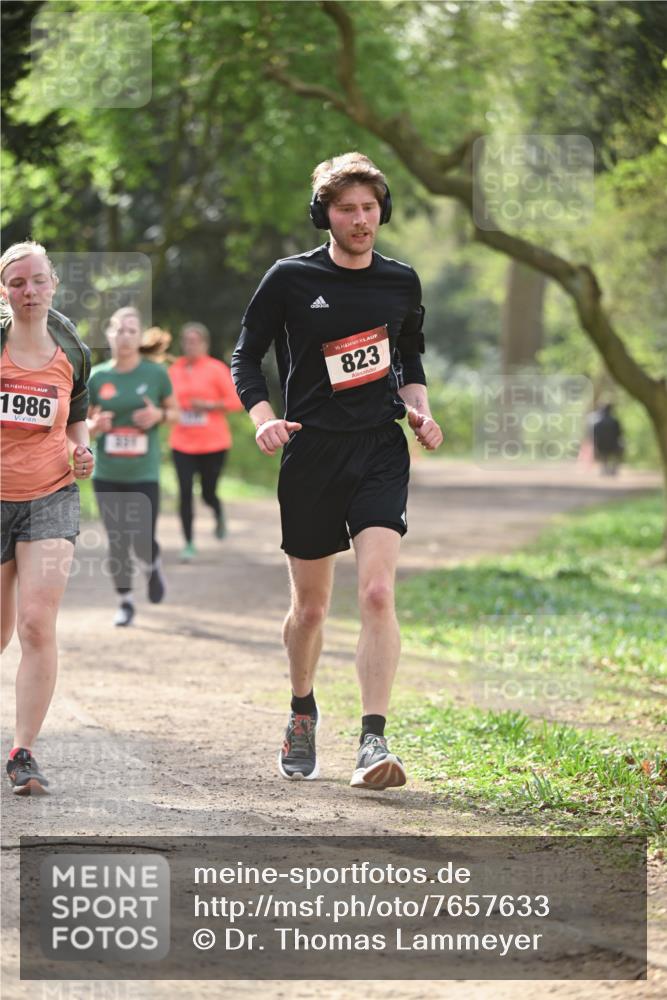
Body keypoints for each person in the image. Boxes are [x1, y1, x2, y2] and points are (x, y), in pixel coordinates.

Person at [232, 152, 443, 790]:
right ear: (324, 213)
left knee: (378, 592)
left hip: (380, 447)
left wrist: (419, 412)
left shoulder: (401, 282)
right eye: (347, 208)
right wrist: (264, 418)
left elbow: (408, 359)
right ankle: (302, 711)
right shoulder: (290, 278)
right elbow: (246, 356)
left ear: (382, 212)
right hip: (312, 450)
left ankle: (372, 740)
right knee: (312, 610)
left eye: (369, 208)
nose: (360, 219)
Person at [1, 240, 93, 795]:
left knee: (37, 623)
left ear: (53, 283)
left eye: (37, 281)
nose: (29, 292)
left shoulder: (71, 348)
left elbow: (77, 415)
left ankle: (23, 752)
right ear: (4, 291)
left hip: (51, 497)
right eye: (17, 283)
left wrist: (83, 451)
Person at [87, 308, 178, 627]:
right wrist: (93, 425)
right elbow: (82, 422)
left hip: (144, 472)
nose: (124, 336)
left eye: (131, 330)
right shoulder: (97, 376)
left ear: (139, 337)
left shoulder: (155, 374)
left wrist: (158, 417)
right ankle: (125, 601)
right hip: (108, 473)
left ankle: (152, 565)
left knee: (141, 537)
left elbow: (174, 413)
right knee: (117, 539)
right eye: (119, 330)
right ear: (109, 334)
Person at [169, 322, 243, 561]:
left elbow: (235, 402)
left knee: (208, 493)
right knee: (185, 493)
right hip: (181, 442)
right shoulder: (174, 370)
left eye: (195, 341)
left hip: (213, 444)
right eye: (187, 341)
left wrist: (208, 405)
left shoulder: (216, 369)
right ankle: (188, 543)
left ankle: (218, 511)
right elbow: (164, 400)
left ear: (204, 344)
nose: (190, 345)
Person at [592, 402, 624, 476]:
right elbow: (620, 434)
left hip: (601, 446)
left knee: (604, 454)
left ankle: (605, 468)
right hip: (613, 445)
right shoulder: (615, 422)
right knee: (621, 448)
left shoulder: (597, 423)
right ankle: (613, 468)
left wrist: (595, 446)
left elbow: (595, 436)